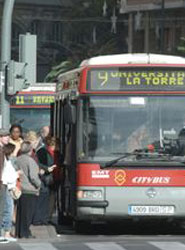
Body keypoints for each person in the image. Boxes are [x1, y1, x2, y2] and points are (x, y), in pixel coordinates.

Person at [15, 141, 41, 238]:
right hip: (30, 189)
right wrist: (39, 185)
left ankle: (19, 232)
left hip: (20, 188)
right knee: (28, 214)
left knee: (20, 213)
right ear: (30, 150)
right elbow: (33, 177)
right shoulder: (31, 161)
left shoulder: (17, 159)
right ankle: (25, 233)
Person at [2, 143, 19, 242]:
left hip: (7, 187)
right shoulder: (7, 162)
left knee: (8, 209)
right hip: (7, 187)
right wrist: (17, 174)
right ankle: (6, 233)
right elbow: (7, 176)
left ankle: (6, 232)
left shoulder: (7, 161)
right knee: (8, 210)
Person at [0, 129, 10, 244]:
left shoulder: (3, 150)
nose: (7, 137)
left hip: (3, 182)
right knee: (1, 207)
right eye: (5, 136)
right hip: (1, 182)